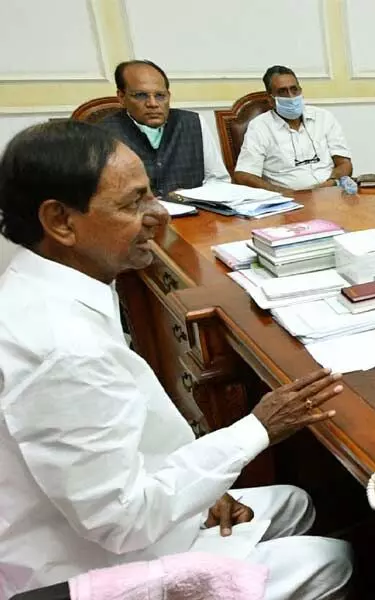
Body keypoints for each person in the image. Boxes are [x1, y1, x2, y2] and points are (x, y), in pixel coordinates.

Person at [0, 121, 352, 600]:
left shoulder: (41, 285)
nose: (158, 214)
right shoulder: (61, 348)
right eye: (133, 203)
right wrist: (258, 428)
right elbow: (122, 520)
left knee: (293, 502)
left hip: (111, 518)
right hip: (95, 570)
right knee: (330, 560)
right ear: (61, 221)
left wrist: (200, 488)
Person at [99, 60, 230, 197]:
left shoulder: (194, 123)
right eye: (141, 95)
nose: (153, 104)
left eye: (160, 96)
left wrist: (190, 196)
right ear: (121, 97)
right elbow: (102, 195)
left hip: (195, 213)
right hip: (136, 216)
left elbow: (219, 181)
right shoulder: (102, 133)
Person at [235, 65, 353, 193]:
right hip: (288, 201)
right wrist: (282, 192)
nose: (291, 96)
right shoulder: (260, 126)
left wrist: (330, 183)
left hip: (330, 193)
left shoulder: (323, 117)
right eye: (282, 92)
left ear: (300, 91)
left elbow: (344, 163)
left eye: (294, 89)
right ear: (271, 99)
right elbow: (244, 175)